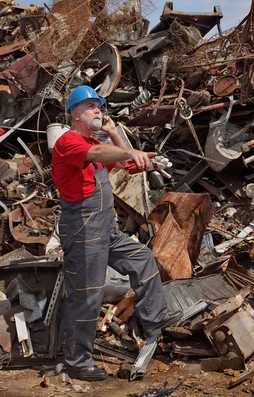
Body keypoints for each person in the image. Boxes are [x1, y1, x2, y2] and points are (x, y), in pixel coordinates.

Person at [51, 86, 179, 381]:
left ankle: (155, 320)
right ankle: (77, 361)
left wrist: (115, 133)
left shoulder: (95, 143)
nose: (99, 110)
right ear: (75, 114)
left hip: (105, 228)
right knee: (87, 295)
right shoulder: (69, 142)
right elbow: (99, 152)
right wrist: (126, 149)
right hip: (83, 229)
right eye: (92, 106)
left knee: (142, 258)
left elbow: (122, 163)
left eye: (100, 106)